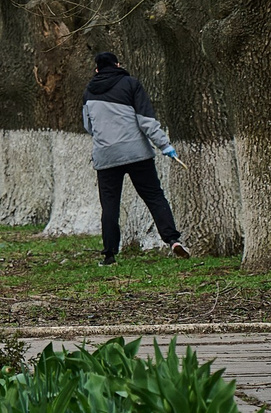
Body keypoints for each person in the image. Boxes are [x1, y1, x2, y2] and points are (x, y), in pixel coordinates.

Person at [81, 50, 192, 264]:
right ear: (118, 64)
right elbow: (146, 121)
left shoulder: (88, 91)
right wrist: (165, 146)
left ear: (96, 70)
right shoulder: (131, 84)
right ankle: (173, 240)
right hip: (137, 153)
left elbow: (89, 126)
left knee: (110, 204)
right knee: (154, 197)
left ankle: (109, 255)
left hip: (106, 156)